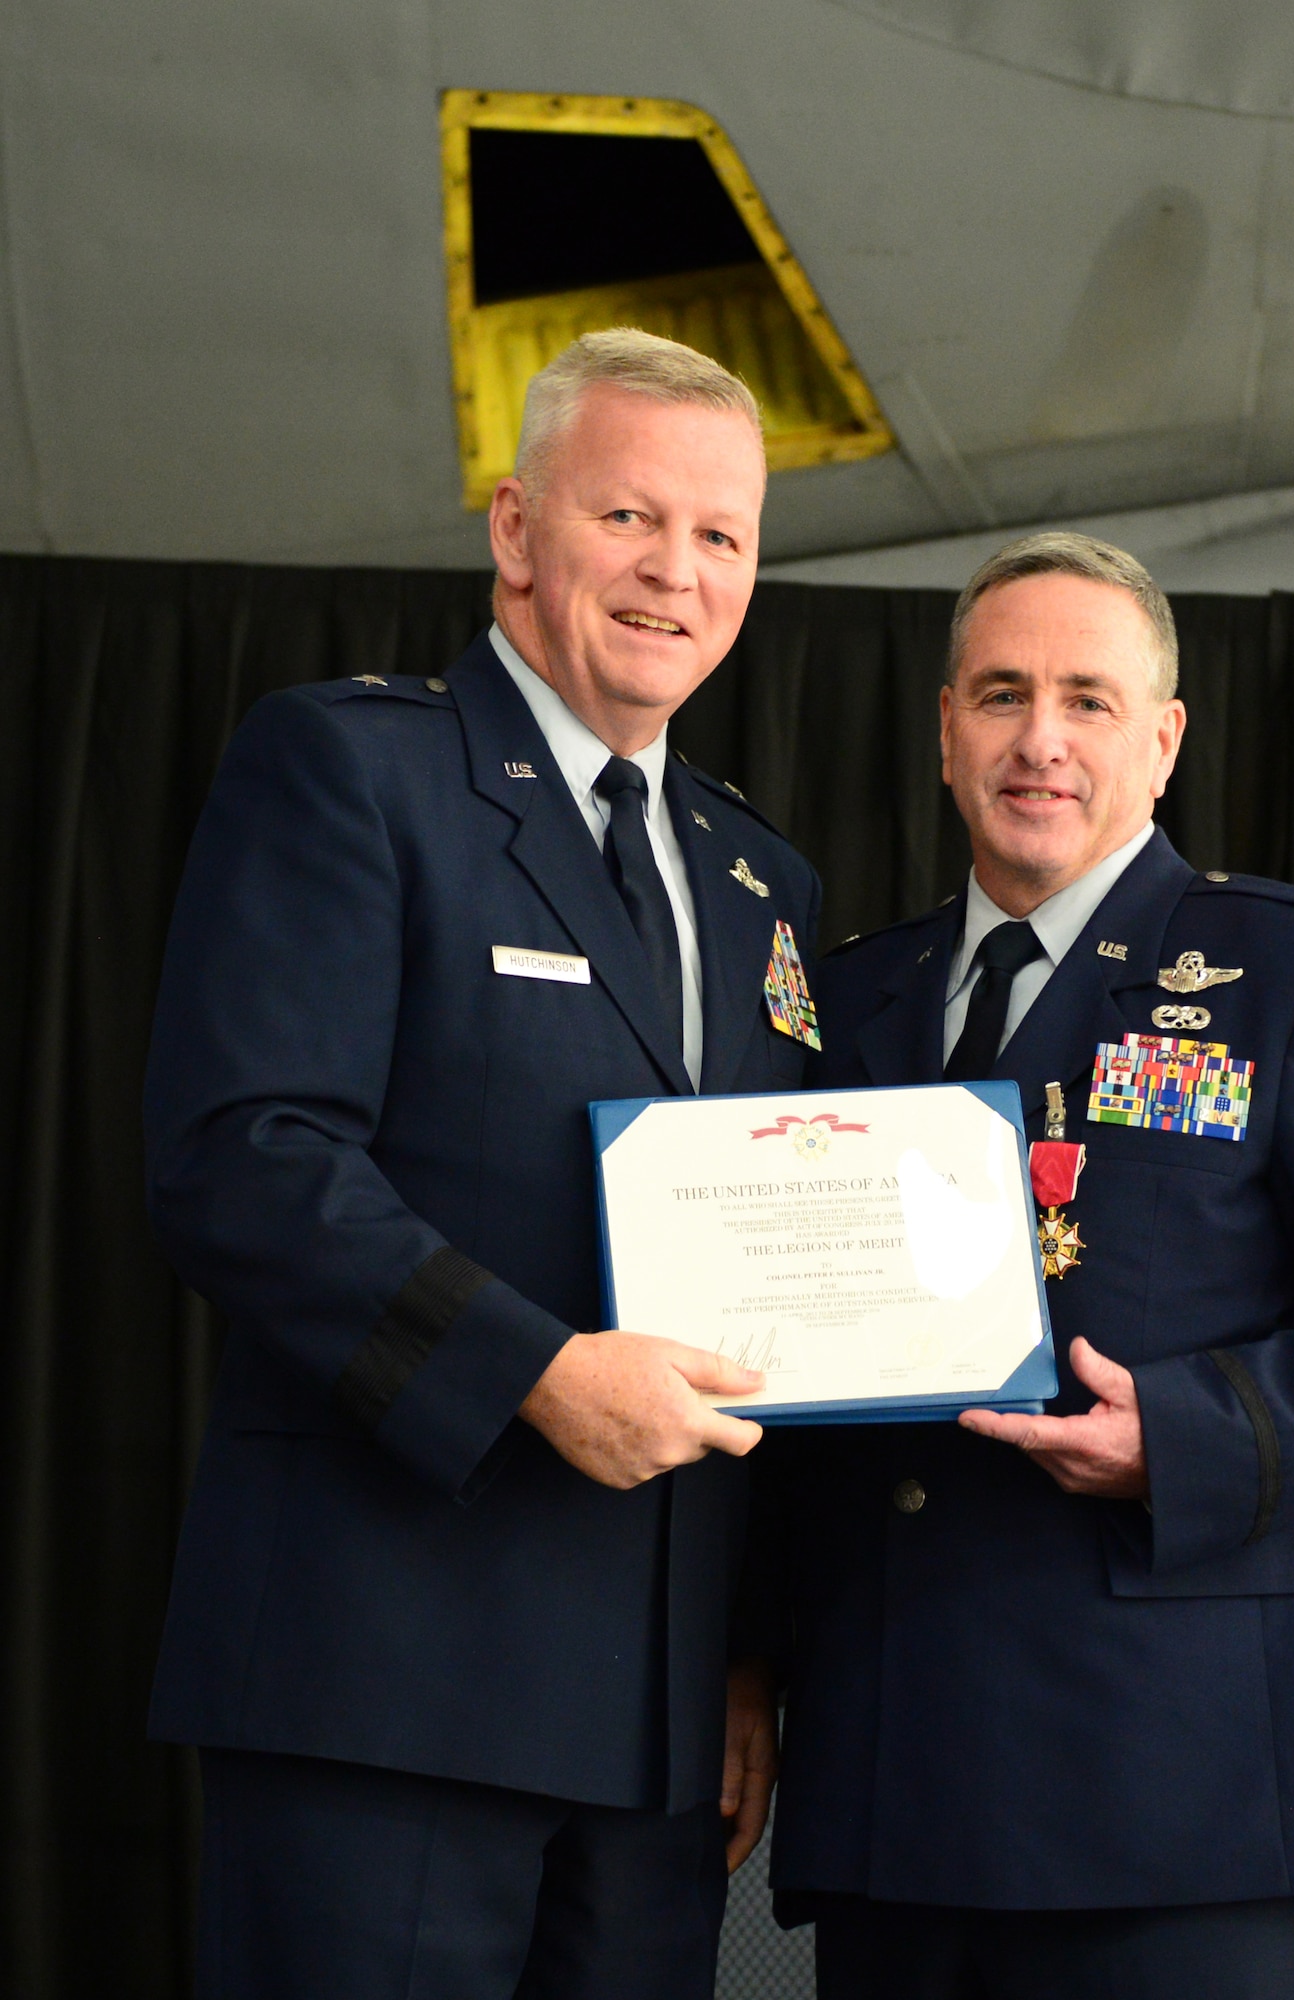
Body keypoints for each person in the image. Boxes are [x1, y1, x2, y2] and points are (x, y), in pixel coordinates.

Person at [144, 328, 816, 1999]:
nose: (676, 571)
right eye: (628, 519)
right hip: (389, 1680)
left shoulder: (757, 880)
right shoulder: (351, 770)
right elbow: (246, 1156)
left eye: (719, 535)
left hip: (656, 1733)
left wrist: (743, 1654)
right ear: (517, 531)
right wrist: (534, 1375)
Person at [758, 531, 1294, 1999]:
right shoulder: (846, 999)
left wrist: (1192, 1437)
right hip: (894, 1769)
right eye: (1003, 694)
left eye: (1089, 701)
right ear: (946, 732)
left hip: (1173, 1784)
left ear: (1161, 743)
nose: (1042, 740)